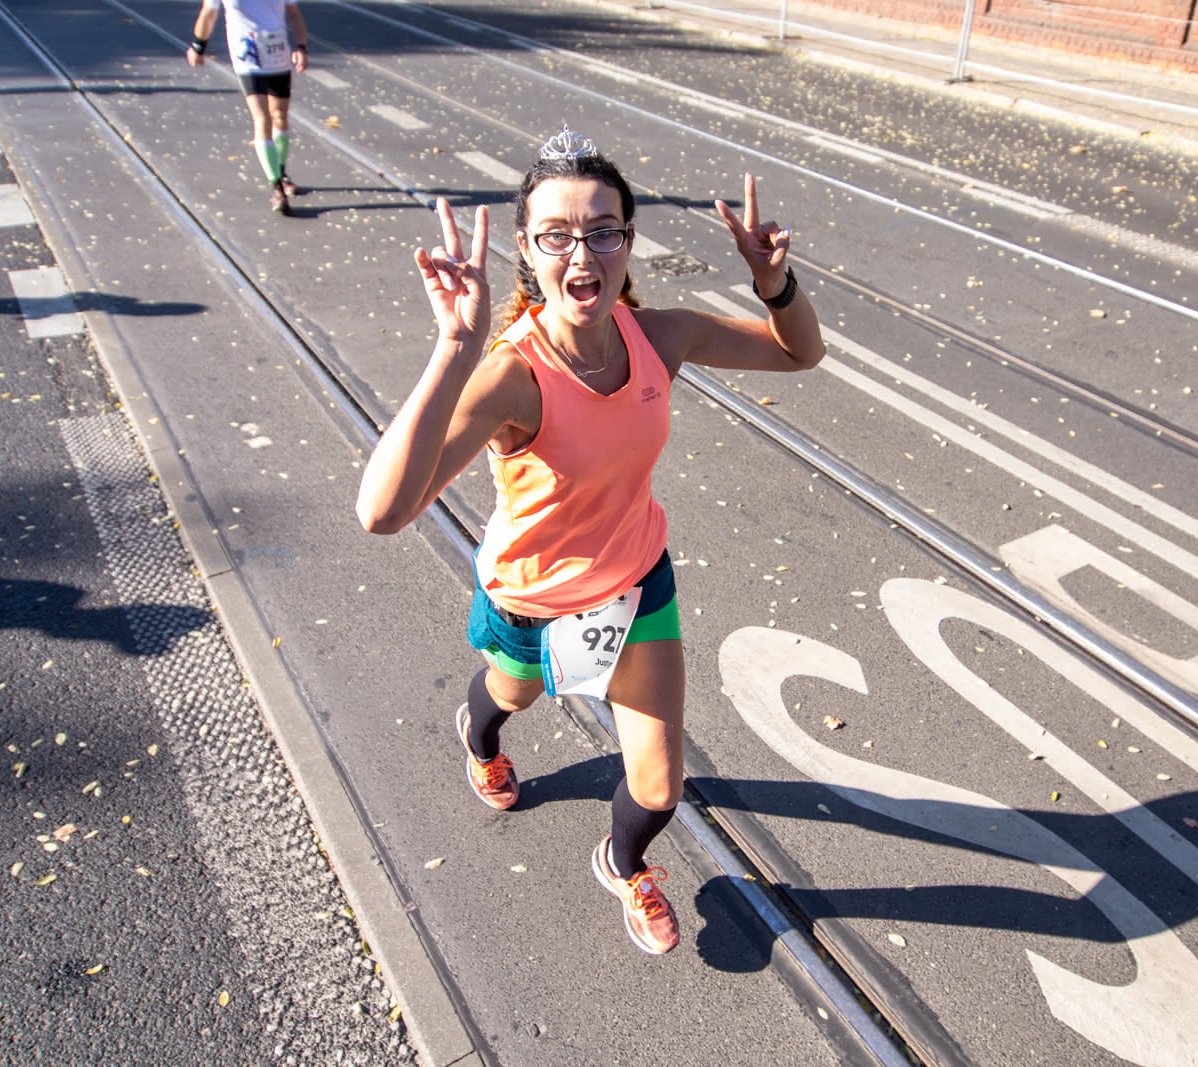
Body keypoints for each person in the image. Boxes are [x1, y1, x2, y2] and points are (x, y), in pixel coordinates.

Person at [354, 127, 825, 955]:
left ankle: (622, 860)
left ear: (628, 241)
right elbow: (383, 512)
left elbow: (800, 353)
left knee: (660, 784)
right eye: (557, 235)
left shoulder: (659, 336)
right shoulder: (511, 375)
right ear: (529, 252)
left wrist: (773, 283)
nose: (582, 253)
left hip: (637, 583)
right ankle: (478, 734)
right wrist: (455, 348)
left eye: (603, 230)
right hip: (533, 603)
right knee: (511, 694)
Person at [184, 0, 307, 214]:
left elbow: (293, 13)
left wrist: (301, 47)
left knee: (279, 116)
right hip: (246, 55)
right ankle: (276, 186)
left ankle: (280, 172)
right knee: (262, 118)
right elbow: (209, 12)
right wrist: (198, 46)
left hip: (277, 53)